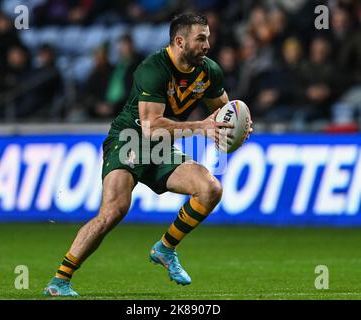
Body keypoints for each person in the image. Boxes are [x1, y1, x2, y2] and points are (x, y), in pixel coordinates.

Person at [43, 13, 252, 297]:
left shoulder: (209, 71)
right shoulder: (152, 69)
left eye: (208, 37)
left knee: (210, 189)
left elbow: (223, 113)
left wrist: (236, 126)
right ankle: (60, 280)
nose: (207, 44)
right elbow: (152, 127)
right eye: (201, 38)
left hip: (161, 147)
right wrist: (201, 127)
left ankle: (165, 248)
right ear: (180, 41)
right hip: (130, 140)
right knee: (113, 212)